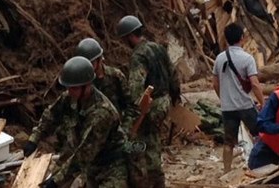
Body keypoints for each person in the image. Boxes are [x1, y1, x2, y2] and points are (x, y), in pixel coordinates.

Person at [23, 56, 128, 188]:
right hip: (91, 166)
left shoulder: (102, 113)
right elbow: (51, 115)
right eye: (68, 87)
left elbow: (83, 155)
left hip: (112, 168)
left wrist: (56, 181)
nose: (69, 91)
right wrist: (34, 138)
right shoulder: (70, 97)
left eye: (74, 88)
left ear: (87, 85)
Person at [116, 15, 181, 188]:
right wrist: (175, 97)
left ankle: (149, 181)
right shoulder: (158, 48)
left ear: (130, 36)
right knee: (153, 141)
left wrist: (133, 113)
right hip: (165, 101)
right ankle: (156, 180)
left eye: (124, 38)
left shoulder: (138, 56)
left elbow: (136, 87)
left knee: (141, 145)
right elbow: (174, 74)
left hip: (150, 105)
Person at [212, 22, 265, 173]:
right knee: (258, 136)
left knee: (229, 143)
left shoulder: (219, 58)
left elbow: (215, 84)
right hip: (245, 106)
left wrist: (224, 99)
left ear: (226, 39)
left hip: (228, 108)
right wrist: (263, 102)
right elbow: (254, 84)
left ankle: (226, 171)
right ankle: (258, 165)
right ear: (242, 38)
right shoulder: (247, 59)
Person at [75, 37, 138, 122]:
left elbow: (131, 106)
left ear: (100, 60)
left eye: (91, 63)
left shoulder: (115, 76)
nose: (88, 67)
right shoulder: (79, 81)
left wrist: (125, 128)